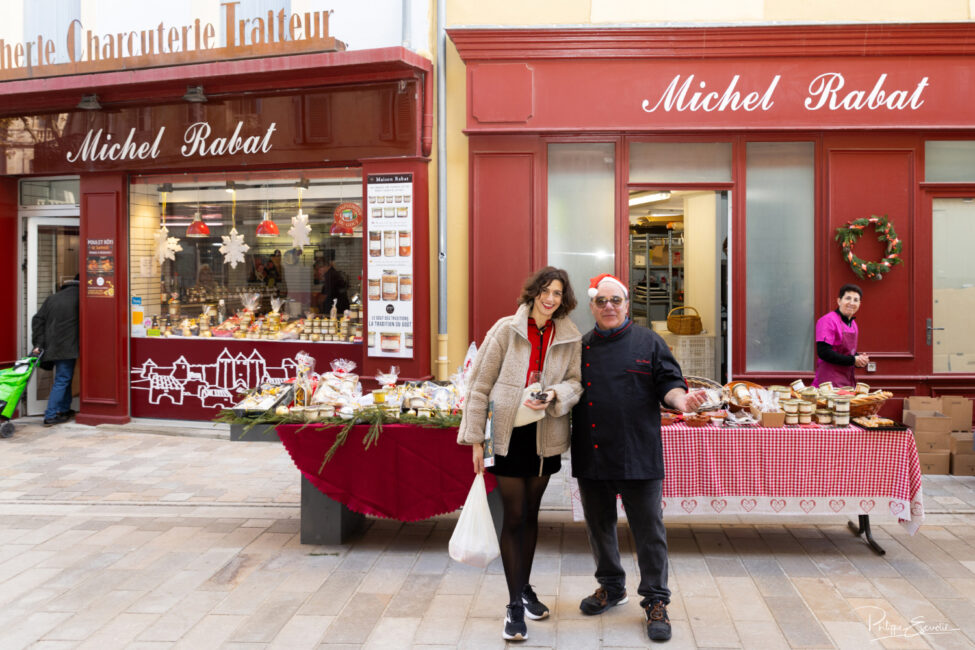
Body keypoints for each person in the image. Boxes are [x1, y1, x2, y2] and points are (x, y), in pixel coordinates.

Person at [571, 273, 706, 643]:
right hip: (593, 451)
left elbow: (669, 383)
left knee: (649, 532)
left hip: (639, 453)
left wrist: (682, 400)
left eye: (616, 300)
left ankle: (656, 601)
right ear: (592, 306)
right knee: (599, 528)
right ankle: (611, 588)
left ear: (627, 304)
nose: (609, 307)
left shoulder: (649, 341)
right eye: (602, 301)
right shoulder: (580, 347)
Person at [457, 267, 583, 642]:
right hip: (507, 435)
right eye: (545, 291)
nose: (550, 298)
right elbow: (478, 387)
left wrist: (556, 393)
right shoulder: (504, 330)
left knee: (531, 515)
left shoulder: (570, 335)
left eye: (557, 293)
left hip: (546, 435)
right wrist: (476, 439)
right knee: (514, 516)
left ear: (564, 299)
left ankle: (523, 588)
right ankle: (514, 605)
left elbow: (576, 382)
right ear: (532, 293)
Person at [30, 274, 80, 426]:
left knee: (64, 378)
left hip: (53, 346)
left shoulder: (52, 298)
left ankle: (64, 409)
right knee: (62, 379)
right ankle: (50, 415)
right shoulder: (80, 298)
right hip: (67, 346)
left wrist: (38, 343)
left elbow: (37, 320)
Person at [813, 284, 868, 387]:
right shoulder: (827, 320)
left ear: (860, 304)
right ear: (839, 301)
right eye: (848, 298)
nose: (851, 303)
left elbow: (845, 351)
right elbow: (824, 352)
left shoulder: (853, 324)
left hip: (847, 381)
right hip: (828, 382)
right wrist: (853, 360)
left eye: (856, 300)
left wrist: (859, 359)